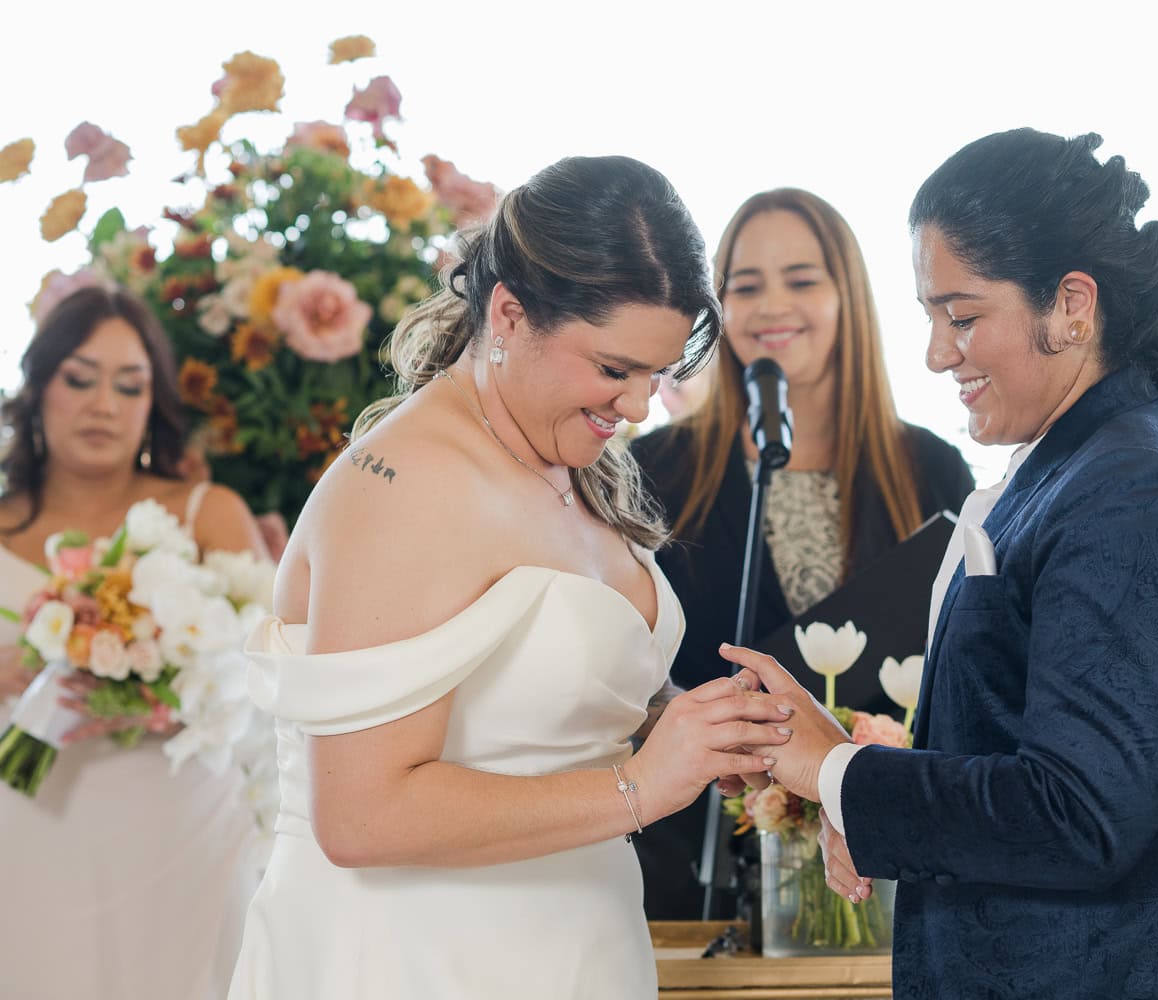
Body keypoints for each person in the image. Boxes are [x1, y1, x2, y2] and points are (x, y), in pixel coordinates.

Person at [720, 130, 1158, 998]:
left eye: (962, 316)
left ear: (1071, 304)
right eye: (929, 318)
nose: (937, 354)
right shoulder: (1088, 462)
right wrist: (857, 795)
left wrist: (833, 772)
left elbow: (1079, 816)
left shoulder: (1143, 491)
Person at [226, 156, 793, 999]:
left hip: (574, 945)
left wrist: (698, 730)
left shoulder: (564, 455)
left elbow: (553, 712)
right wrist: (642, 785)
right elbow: (361, 814)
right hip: (416, 961)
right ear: (508, 313)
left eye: (657, 374)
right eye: (613, 368)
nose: (638, 406)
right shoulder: (404, 486)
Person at [630, 187, 973, 918]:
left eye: (802, 280)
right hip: (693, 875)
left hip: (882, 884)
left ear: (847, 296)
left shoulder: (931, 470)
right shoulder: (655, 470)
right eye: (745, 286)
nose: (771, 306)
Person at [0, 285, 269, 1000]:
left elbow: (277, 672)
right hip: (24, 826)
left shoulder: (208, 513)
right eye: (79, 379)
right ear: (39, 389)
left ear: (154, 403)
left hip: (185, 830)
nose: (104, 405)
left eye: (130, 385)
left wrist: (168, 687)